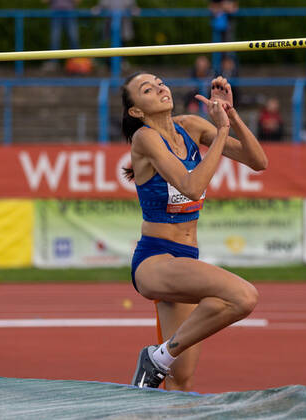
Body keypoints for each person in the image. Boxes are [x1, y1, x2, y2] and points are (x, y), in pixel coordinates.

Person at [122, 72, 268, 390]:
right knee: (243, 297)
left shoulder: (191, 126)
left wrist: (231, 115)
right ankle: (157, 358)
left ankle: (160, 360)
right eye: (148, 89)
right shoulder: (144, 139)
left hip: (186, 258)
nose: (160, 88)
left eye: (161, 82)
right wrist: (222, 132)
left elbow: (259, 161)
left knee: (182, 380)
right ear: (136, 110)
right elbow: (192, 186)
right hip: (156, 259)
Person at [44, 0, 81, 70]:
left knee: (73, 39)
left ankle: (76, 63)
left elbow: (78, 1)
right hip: (56, 14)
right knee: (55, 40)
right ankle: (53, 63)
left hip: (70, 13)